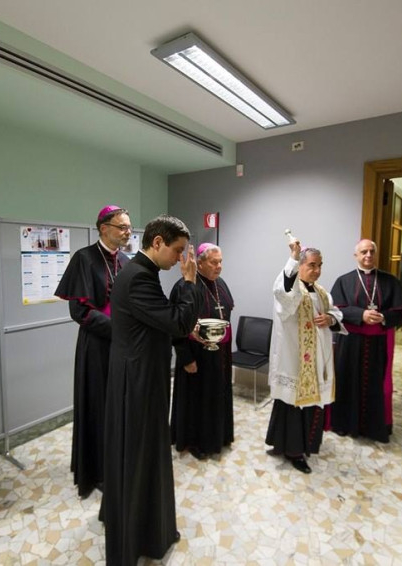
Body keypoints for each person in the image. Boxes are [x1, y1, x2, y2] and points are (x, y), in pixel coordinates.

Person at [100, 214, 202, 565]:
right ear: (157, 242)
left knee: (143, 454)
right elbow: (177, 320)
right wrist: (189, 283)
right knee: (140, 456)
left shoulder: (141, 272)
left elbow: (157, 322)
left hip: (139, 374)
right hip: (139, 380)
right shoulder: (140, 277)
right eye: (177, 250)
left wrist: (181, 327)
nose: (180, 259)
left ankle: (146, 528)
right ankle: (136, 537)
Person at [54, 205, 131, 498]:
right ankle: (97, 470)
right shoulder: (84, 258)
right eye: (122, 227)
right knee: (98, 405)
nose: (127, 232)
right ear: (104, 228)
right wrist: (117, 328)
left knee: (120, 403)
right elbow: (80, 311)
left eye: (128, 227)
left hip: (123, 345)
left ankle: (118, 460)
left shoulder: (125, 261)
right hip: (96, 346)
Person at [265, 239, 343, 473]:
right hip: (293, 361)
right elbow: (282, 293)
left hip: (316, 361)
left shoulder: (321, 292)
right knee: (290, 405)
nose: (317, 270)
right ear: (299, 266)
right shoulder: (291, 290)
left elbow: (336, 312)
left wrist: (331, 318)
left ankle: (294, 447)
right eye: (311, 265)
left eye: (320, 265)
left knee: (306, 406)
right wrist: (292, 257)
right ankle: (292, 450)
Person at [328, 240, 402, 443]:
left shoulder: (389, 280)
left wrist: (383, 317)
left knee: (376, 385)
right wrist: (361, 315)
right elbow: (335, 309)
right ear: (356, 255)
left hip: (378, 343)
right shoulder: (344, 281)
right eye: (363, 251)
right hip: (350, 342)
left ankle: (373, 427)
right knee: (347, 380)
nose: (368, 255)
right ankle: (344, 424)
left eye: (371, 251)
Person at [170, 243, 234, 461]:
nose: (219, 266)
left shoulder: (221, 284)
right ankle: (195, 442)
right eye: (214, 262)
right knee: (197, 400)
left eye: (220, 262)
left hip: (220, 354)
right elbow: (176, 326)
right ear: (200, 262)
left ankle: (219, 436)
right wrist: (186, 358)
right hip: (196, 356)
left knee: (217, 396)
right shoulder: (184, 286)